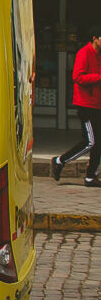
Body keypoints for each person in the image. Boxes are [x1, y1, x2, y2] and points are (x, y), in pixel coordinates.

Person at [52, 32, 101, 186]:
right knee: (90, 142)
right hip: (86, 104)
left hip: (97, 104)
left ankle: (91, 177)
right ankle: (60, 161)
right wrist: (99, 77)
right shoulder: (84, 53)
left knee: (98, 143)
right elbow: (77, 77)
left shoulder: (99, 55)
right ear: (94, 38)